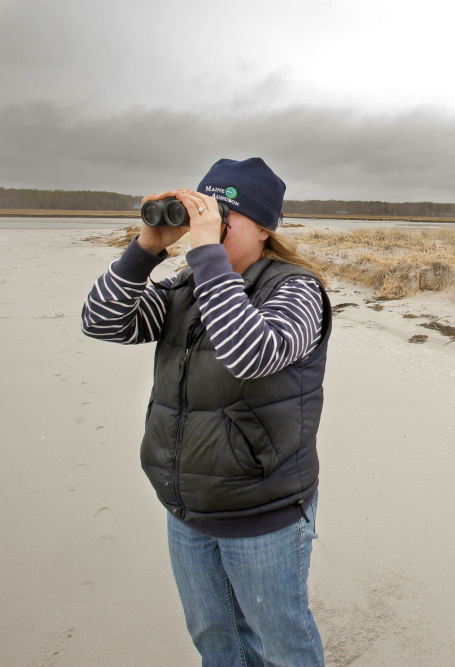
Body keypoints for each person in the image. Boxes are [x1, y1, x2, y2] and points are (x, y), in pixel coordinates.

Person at [82, 157, 331, 666]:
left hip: (264, 506)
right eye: (202, 216)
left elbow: (251, 354)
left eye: (222, 220)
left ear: (264, 229)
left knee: (283, 641)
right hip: (188, 503)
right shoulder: (186, 288)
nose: (207, 231)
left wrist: (205, 256)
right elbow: (102, 321)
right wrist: (148, 247)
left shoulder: (296, 289)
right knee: (217, 639)